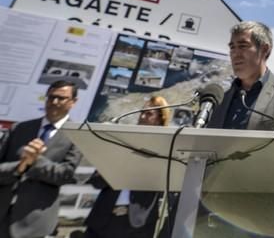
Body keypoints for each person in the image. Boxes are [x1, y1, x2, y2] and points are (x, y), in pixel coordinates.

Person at [203, 21, 274, 237]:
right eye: (232, 47)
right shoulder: (219, 100)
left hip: (264, 213)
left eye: (243, 46)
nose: (235, 53)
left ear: (265, 49)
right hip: (213, 214)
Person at [0, 80, 83, 238]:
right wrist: (20, 166)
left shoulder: (76, 136)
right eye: (51, 97)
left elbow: (66, 175)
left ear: (73, 102)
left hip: (34, 224)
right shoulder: (19, 129)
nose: (54, 102)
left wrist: (36, 161)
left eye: (61, 98)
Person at [84, 96, 171, 238]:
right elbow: (95, 181)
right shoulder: (120, 141)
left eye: (149, 114)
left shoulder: (166, 149)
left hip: (137, 226)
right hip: (102, 221)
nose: (142, 117)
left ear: (160, 119)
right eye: (142, 112)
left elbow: (163, 184)